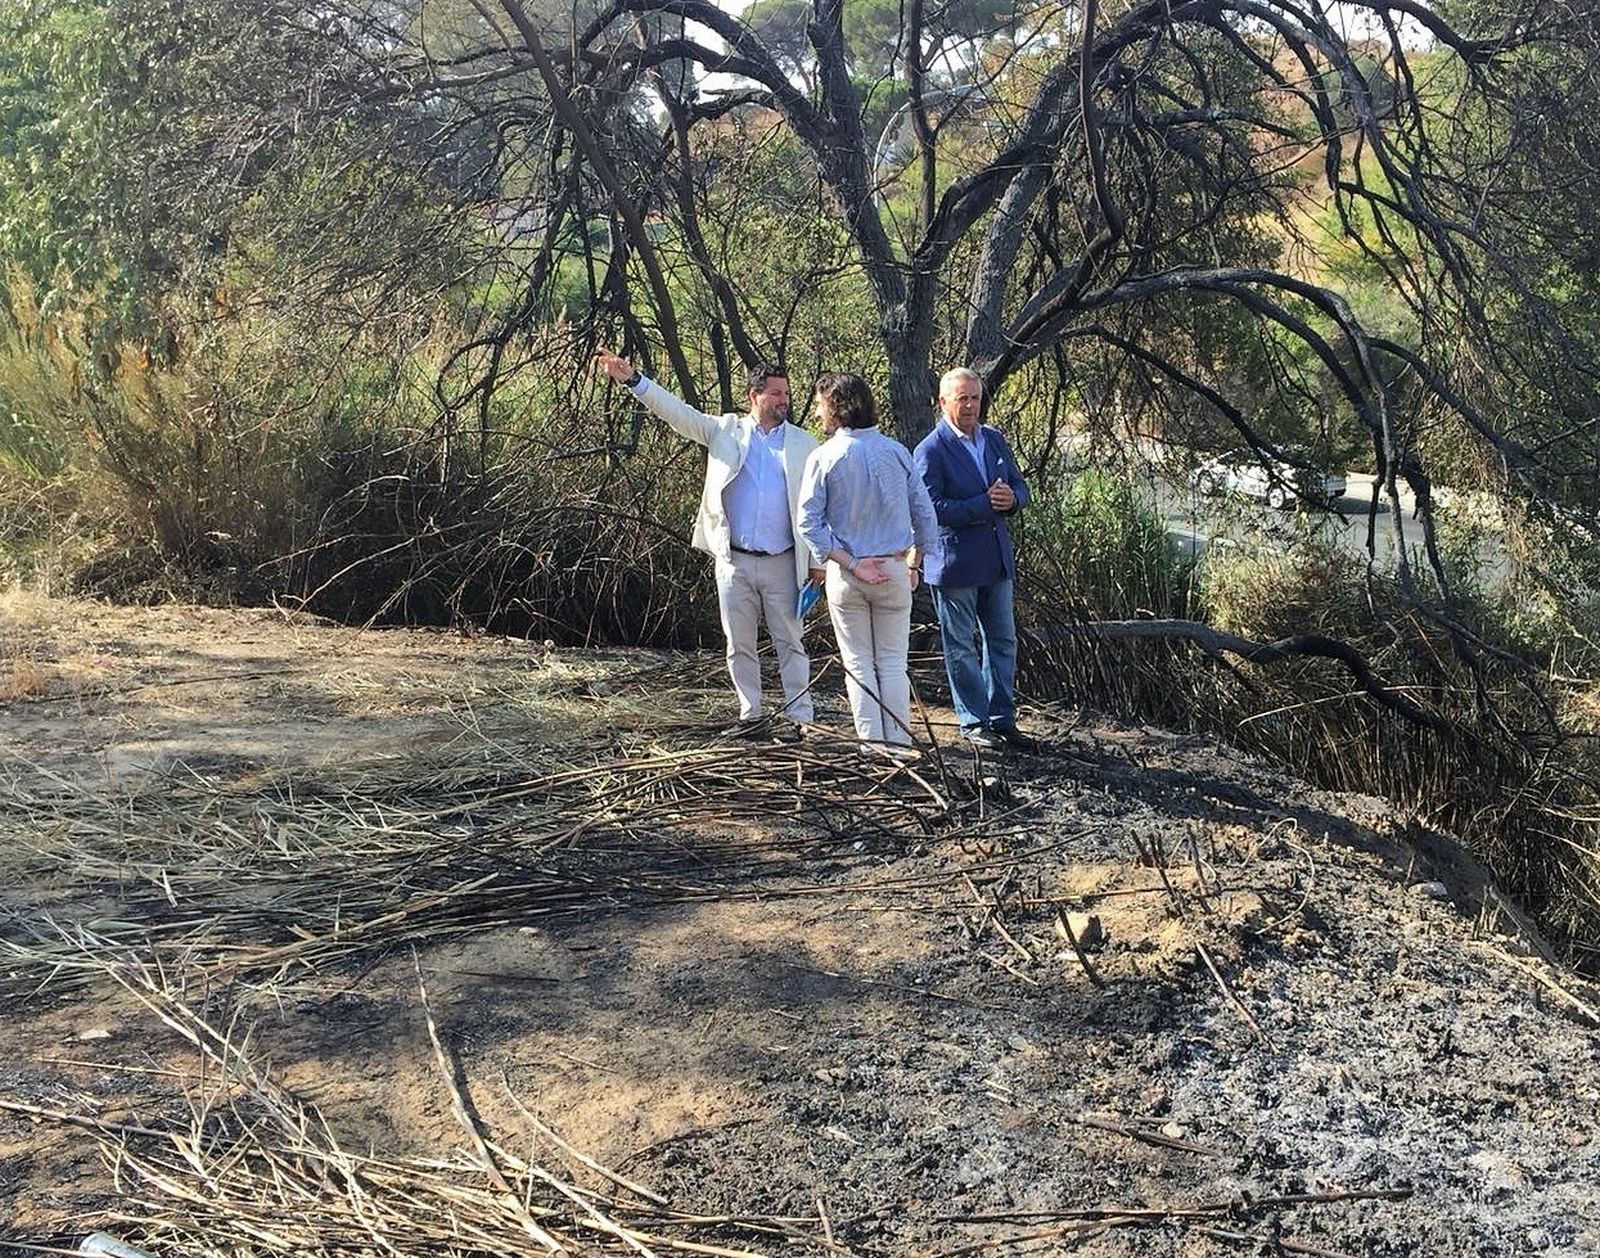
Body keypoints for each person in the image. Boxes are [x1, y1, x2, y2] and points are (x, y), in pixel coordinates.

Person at [594, 348, 820, 735]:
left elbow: (817, 505)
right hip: (734, 560)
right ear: (755, 396)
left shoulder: (804, 443)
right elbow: (678, 413)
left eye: (787, 394)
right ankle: (751, 714)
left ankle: (801, 719)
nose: (784, 401)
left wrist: (818, 561)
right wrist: (633, 380)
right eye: (776, 394)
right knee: (739, 643)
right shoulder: (724, 430)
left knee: (791, 642)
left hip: (784, 561)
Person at [798, 372, 939, 749]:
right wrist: (914, 562)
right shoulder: (896, 452)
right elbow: (925, 514)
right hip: (893, 568)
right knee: (893, 663)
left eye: (821, 403)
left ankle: (872, 744)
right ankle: (899, 743)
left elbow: (807, 522)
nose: (817, 411)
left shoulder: (824, 456)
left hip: (849, 572)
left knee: (858, 662)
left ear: (837, 406)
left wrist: (848, 561)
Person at [913, 367, 1031, 750]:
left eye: (975, 398)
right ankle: (974, 721)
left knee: (1003, 640)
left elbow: (1019, 485)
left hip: (996, 560)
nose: (969, 405)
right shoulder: (930, 450)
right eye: (961, 398)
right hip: (955, 565)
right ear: (943, 401)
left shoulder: (994, 440)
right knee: (961, 646)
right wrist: (982, 505)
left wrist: (1013, 500)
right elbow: (930, 509)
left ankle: (1002, 718)